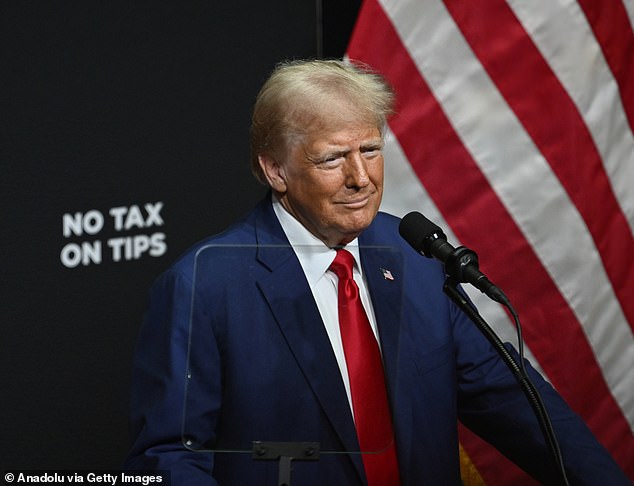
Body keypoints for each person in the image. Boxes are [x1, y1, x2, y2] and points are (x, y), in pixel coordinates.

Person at [124, 59, 629, 485]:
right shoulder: (206, 284)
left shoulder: (414, 254)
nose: (360, 178)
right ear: (276, 170)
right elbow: (170, 458)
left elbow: (513, 403)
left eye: (370, 150)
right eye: (333, 159)